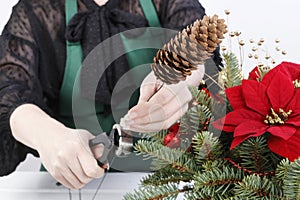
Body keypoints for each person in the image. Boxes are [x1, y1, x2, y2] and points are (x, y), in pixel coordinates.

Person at [0, 0, 221, 190]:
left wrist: (180, 81)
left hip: (166, 181)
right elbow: (9, 90)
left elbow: (197, 47)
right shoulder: (34, 10)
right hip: (67, 183)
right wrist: (45, 134)